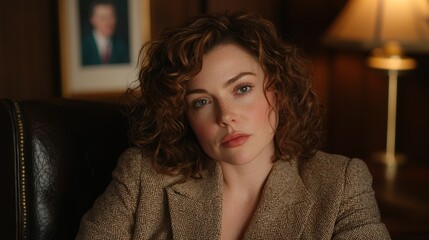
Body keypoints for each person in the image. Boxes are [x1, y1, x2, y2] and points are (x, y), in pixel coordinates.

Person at [76, 11, 391, 239]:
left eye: (242, 89)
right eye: (201, 101)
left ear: (278, 89)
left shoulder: (341, 184)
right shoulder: (141, 177)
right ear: (183, 116)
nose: (225, 115)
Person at [81, 0, 129, 66]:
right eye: (103, 18)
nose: (108, 22)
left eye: (111, 17)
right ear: (92, 20)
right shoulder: (82, 47)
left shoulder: (122, 46)